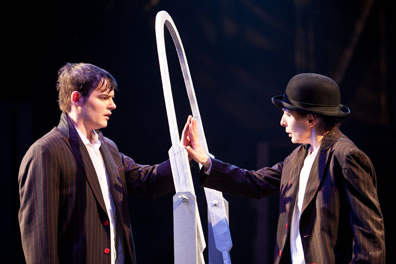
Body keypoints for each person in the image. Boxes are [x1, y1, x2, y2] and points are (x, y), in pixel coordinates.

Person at [183, 73, 386, 263]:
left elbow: (369, 237)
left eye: (287, 114)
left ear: (311, 119)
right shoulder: (298, 157)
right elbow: (254, 182)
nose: (282, 122)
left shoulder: (346, 158)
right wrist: (207, 162)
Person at [18, 62, 175, 264]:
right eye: (103, 98)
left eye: (111, 98)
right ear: (76, 98)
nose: (112, 105)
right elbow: (40, 244)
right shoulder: (46, 151)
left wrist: (185, 156)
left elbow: (146, 181)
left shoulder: (107, 148)